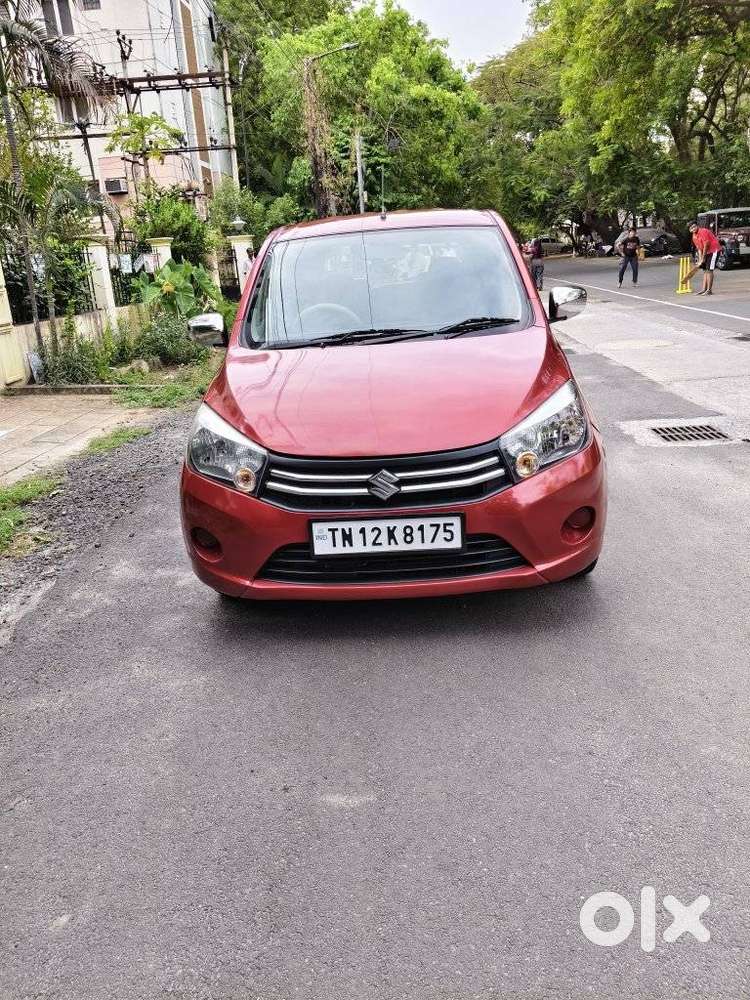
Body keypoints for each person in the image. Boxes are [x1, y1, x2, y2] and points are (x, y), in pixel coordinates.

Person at [688, 221, 721, 295]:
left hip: (714, 250)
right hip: (706, 252)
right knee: (705, 271)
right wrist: (700, 260)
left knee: (709, 270)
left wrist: (703, 257)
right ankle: (703, 289)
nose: (693, 229)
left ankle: (709, 290)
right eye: (691, 228)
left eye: (694, 226)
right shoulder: (694, 236)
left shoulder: (703, 231)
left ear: (697, 226)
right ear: (689, 230)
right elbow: (699, 248)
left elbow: (706, 244)